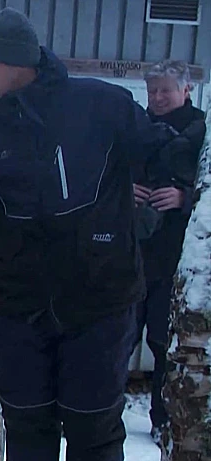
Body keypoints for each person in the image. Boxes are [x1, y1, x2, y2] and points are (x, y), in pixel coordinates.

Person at [0, 8, 173, 461]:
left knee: (93, 427)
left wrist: (173, 184)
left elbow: (162, 149)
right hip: (20, 306)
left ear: (16, 61)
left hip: (100, 301)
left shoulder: (102, 105)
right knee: (27, 425)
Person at [132, 59, 206, 443]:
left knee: (164, 345)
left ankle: (163, 420)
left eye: (165, 90)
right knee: (116, 339)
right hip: (130, 256)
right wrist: (124, 191)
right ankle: (97, 413)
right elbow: (105, 174)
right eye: (152, 91)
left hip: (176, 260)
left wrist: (184, 197)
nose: (158, 98)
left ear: (187, 90)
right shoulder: (134, 127)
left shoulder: (202, 133)